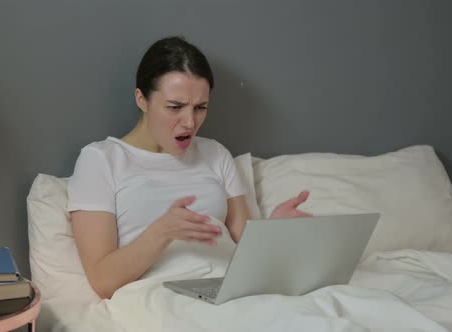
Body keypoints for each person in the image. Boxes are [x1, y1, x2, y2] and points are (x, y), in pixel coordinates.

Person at [67, 36, 311, 300]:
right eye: (175, 107)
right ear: (142, 99)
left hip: (230, 290)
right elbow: (102, 281)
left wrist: (274, 232)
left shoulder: (215, 154)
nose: (189, 122)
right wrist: (162, 231)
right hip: (158, 297)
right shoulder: (101, 160)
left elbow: (246, 247)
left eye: (200, 108)